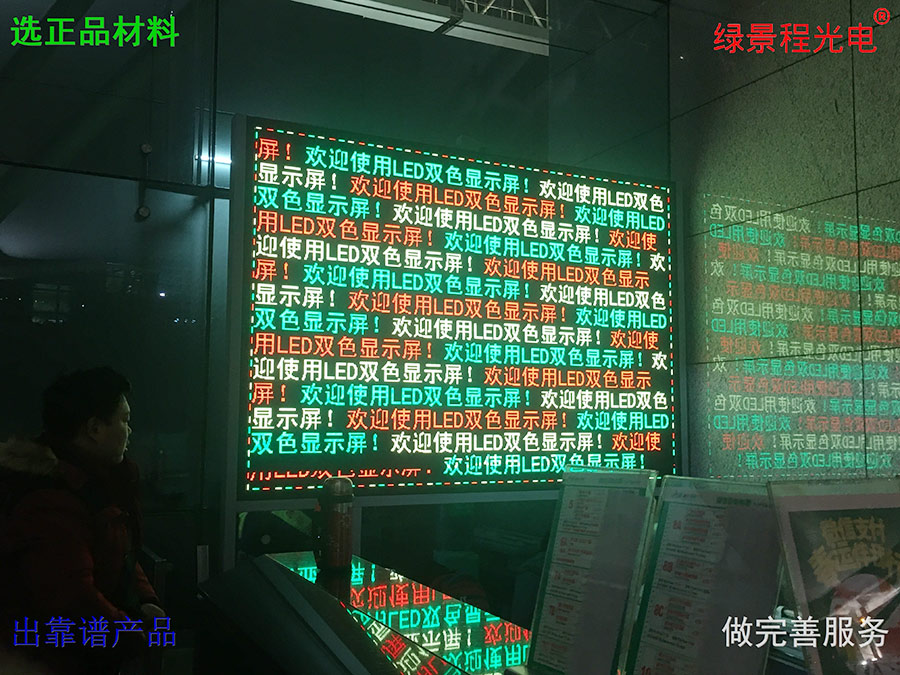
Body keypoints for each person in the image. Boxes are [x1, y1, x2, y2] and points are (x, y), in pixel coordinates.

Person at [0, 367, 164, 674]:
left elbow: (117, 549)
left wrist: (144, 598)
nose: (130, 431)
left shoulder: (95, 482)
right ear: (94, 429)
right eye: (124, 420)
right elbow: (72, 599)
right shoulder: (50, 500)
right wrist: (132, 633)